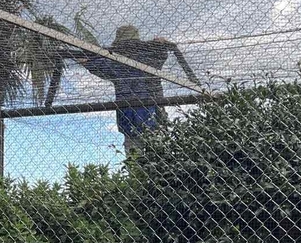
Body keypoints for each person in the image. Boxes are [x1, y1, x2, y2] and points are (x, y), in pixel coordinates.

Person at [52, 25, 198, 153]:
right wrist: (161, 43)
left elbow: (96, 65)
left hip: (128, 115)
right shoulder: (151, 58)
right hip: (153, 112)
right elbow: (162, 53)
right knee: (159, 154)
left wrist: (83, 60)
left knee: (134, 157)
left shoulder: (115, 62)